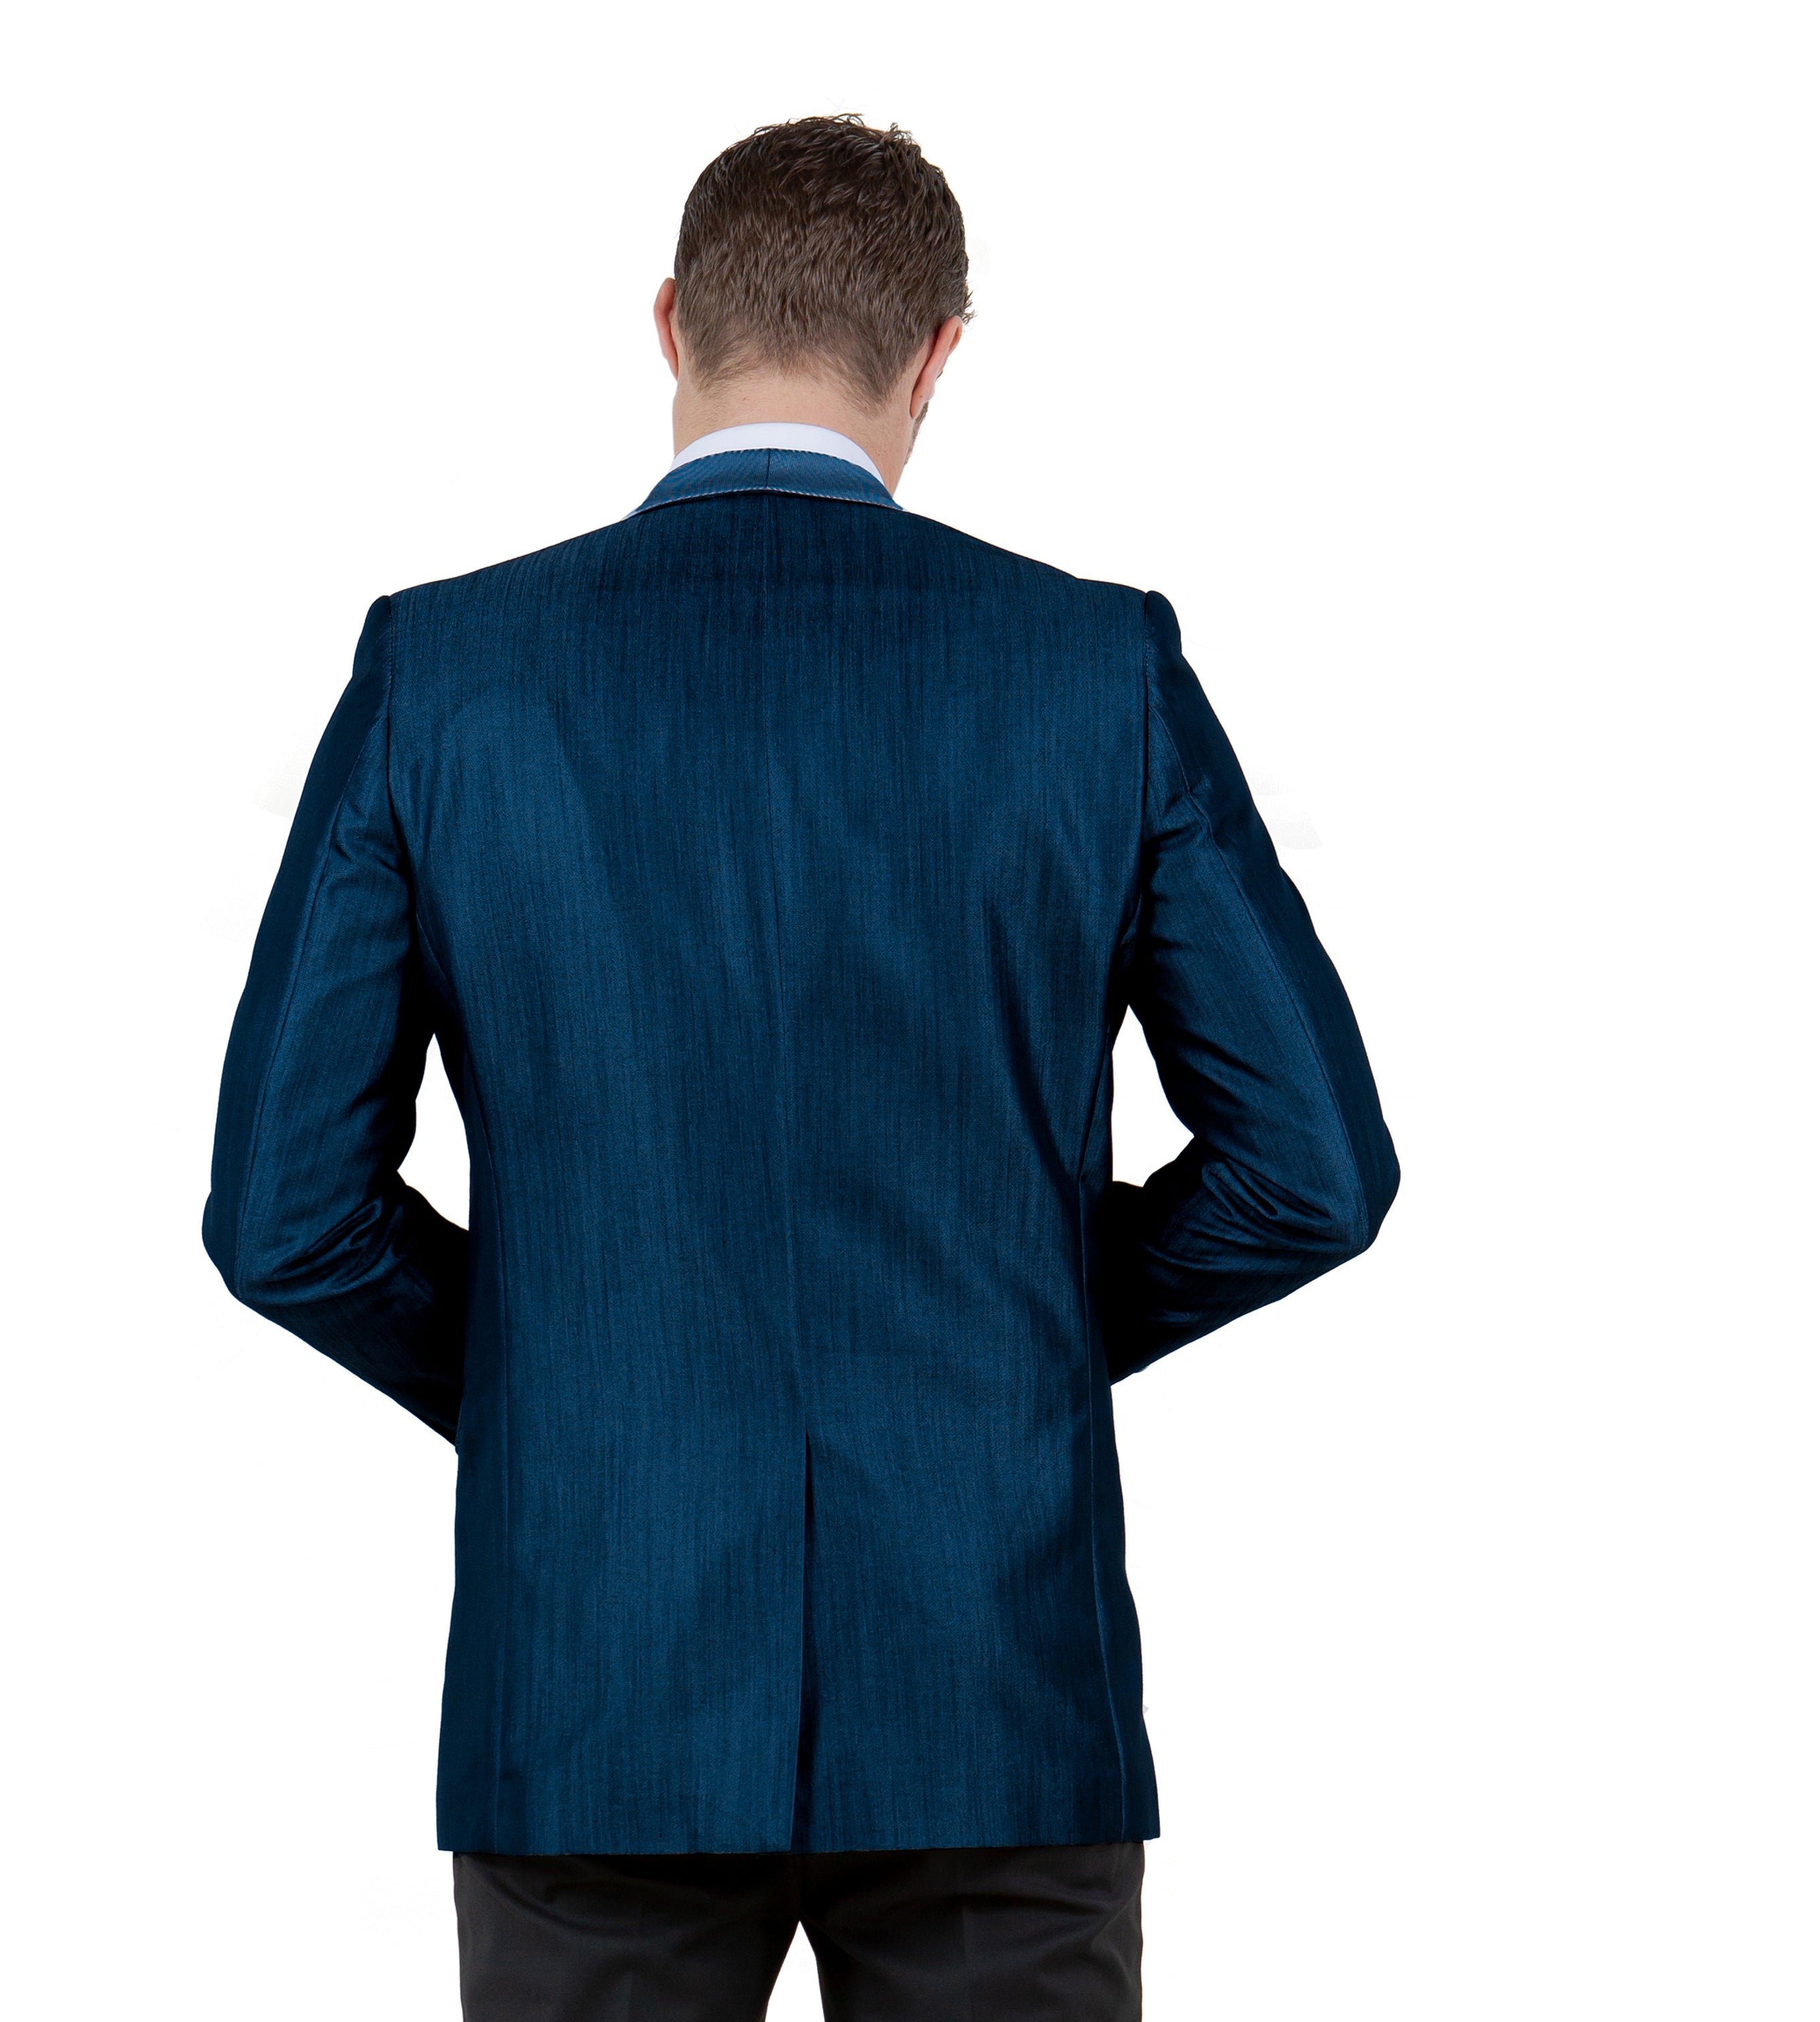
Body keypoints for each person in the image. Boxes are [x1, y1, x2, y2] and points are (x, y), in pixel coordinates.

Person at [202, 113, 1399, 2022]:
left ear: (670, 321)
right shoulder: (1095, 670)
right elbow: (1311, 1170)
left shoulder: (447, 675)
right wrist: (990, 1347)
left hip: (594, 1686)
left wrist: (564, 1384)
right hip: (993, 1681)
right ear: (937, 354)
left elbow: (286, 1216)